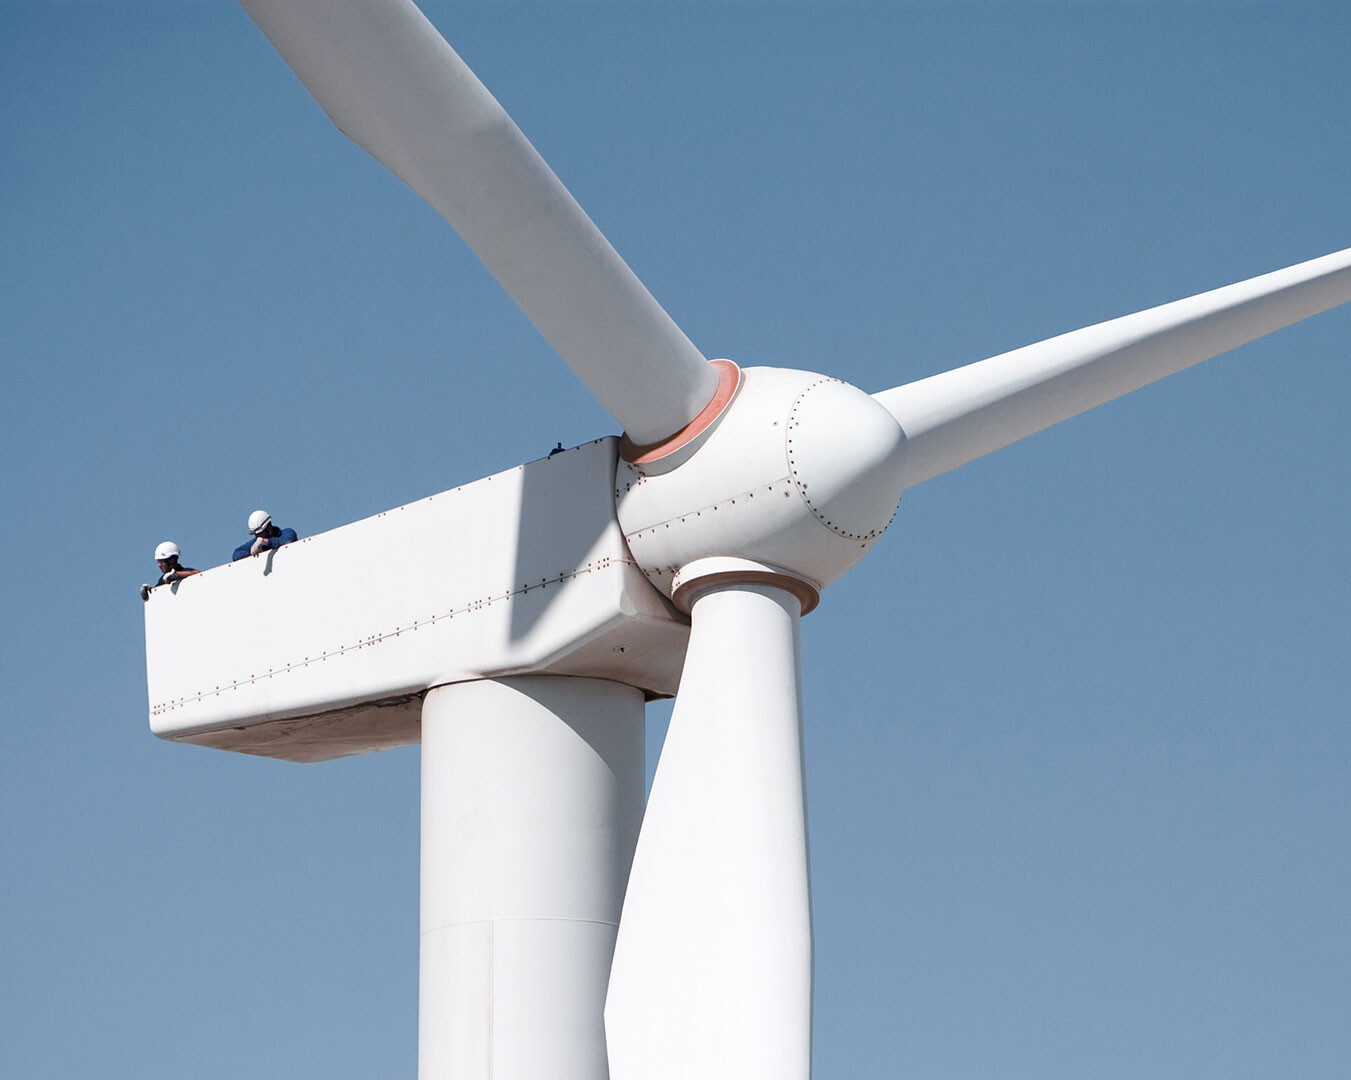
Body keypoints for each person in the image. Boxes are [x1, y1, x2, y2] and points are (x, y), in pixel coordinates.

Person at [232, 510, 298, 562]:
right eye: (256, 535)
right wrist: (252, 552)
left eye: (260, 533)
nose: (258, 537)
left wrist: (266, 541)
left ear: (269, 527)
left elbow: (288, 541)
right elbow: (236, 554)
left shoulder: (287, 532)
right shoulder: (257, 542)